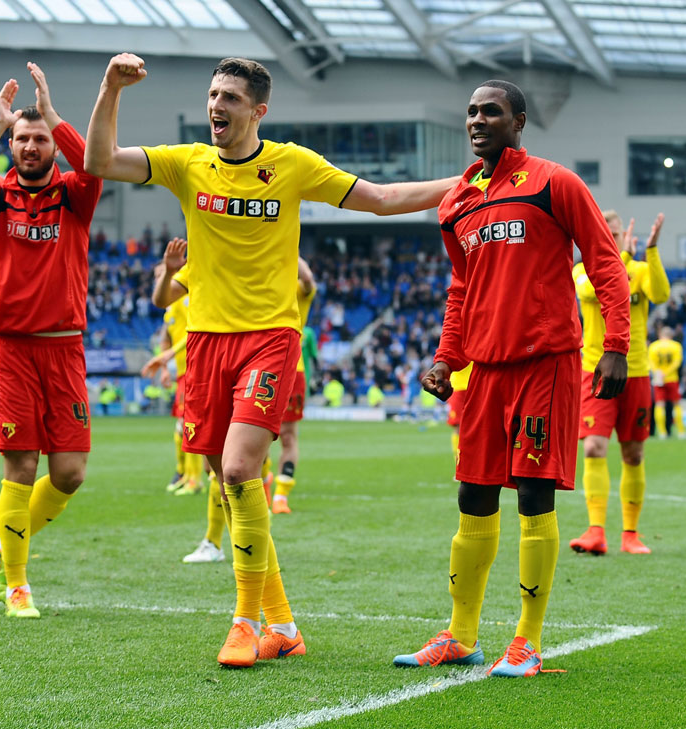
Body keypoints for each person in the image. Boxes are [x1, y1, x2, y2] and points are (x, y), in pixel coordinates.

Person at [86, 53, 460, 668]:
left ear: (258, 110)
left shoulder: (291, 165)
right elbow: (100, 160)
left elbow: (385, 198)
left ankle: (244, 621)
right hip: (205, 342)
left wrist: (469, 181)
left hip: (269, 337)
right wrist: (110, 88)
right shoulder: (187, 163)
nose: (216, 106)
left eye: (230, 98)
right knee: (229, 486)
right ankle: (283, 623)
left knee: (238, 469)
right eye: (213, 95)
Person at [398, 80, 631, 678]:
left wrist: (616, 345)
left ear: (519, 121)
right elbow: (461, 289)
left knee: (533, 494)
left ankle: (526, 641)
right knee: (472, 495)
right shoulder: (456, 202)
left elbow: (604, 260)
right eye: (472, 112)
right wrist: (447, 358)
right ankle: (461, 634)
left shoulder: (556, 183)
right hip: (486, 371)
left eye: (491, 111)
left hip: (545, 363)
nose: (478, 120)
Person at [0, 63, 102, 619]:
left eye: (39, 139)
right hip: (11, 349)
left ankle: (4, 542)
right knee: (21, 469)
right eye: (22, 139)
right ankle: (15, 585)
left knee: (69, 474)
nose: (31, 147)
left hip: (64, 348)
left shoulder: (75, 194)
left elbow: (91, 162)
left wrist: (56, 116)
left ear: (52, 147)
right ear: (10, 146)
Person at [568, 210, 668, 558]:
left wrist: (651, 252)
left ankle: (630, 534)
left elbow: (661, 293)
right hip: (594, 370)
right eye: (605, 232)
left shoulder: (639, 270)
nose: (611, 237)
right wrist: (622, 256)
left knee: (634, 453)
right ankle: (596, 531)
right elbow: (602, 289)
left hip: (636, 371)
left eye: (614, 232)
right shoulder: (582, 271)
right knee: (593, 447)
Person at [144, 246, 226, 565]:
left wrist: (168, 357)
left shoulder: (199, 290)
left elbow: (192, 332)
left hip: (209, 367)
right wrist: (167, 362)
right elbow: (170, 333)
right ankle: (214, 538)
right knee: (213, 459)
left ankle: (217, 535)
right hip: (191, 372)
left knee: (232, 460)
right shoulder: (175, 304)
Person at [271, 257, 316, 515]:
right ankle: (262, 486)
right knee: (252, 434)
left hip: (291, 369)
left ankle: (281, 495)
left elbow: (308, 280)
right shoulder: (262, 285)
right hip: (255, 365)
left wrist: (289, 247)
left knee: (288, 435)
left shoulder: (299, 290)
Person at [649, 326, 686, 439]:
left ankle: (662, 432)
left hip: (658, 379)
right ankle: (681, 431)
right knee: (676, 404)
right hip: (672, 378)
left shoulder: (654, 346)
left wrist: (659, 373)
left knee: (660, 405)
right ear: (671, 335)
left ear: (660, 335)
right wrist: (667, 372)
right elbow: (677, 362)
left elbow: (650, 362)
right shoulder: (676, 346)